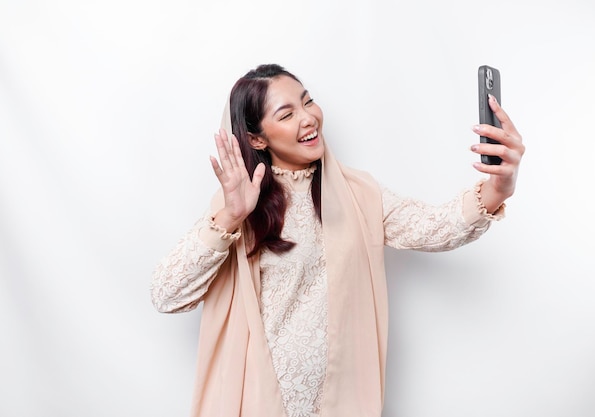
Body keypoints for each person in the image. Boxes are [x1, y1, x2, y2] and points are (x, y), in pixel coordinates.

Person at [150, 63, 524, 417]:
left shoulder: (359, 192)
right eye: (286, 114)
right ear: (255, 138)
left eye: (307, 100)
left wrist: (498, 188)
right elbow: (167, 294)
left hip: (342, 403)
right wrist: (231, 215)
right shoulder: (238, 205)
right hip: (260, 403)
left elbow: (434, 227)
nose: (308, 117)